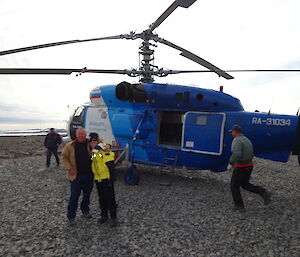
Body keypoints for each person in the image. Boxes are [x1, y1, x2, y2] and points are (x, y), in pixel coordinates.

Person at [228, 124, 271, 211]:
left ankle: (239, 205)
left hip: (241, 166)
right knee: (245, 184)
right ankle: (263, 192)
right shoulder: (246, 139)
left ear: (236, 132)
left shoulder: (237, 140)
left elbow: (237, 154)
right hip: (249, 165)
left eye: (232, 131)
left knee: (234, 186)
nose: (231, 133)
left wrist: (231, 163)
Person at [61, 128, 94, 225]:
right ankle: (71, 217)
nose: (81, 136)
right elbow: (63, 157)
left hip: (89, 175)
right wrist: (69, 168)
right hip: (76, 176)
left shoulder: (90, 144)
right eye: (79, 134)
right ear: (76, 135)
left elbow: (101, 148)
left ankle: (85, 211)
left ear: (85, 135)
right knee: (74, 196)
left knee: (87, 195)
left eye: (83, 134)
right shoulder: (70, 146)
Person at [89, 133, 118, 227]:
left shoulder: (104, 150)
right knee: (101, 198)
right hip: (98, 179)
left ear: (98, 141)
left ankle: (114, 217)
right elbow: (94, 162)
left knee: (110, 198)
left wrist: (111, 179)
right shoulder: (94, 152)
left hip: (106, 178)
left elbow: (110, 165)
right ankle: (104, 215)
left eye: (95, 140)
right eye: (91, 141)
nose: (93, 142)